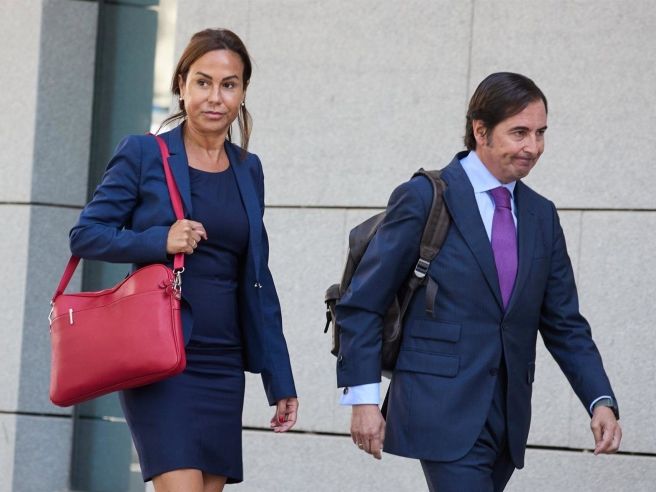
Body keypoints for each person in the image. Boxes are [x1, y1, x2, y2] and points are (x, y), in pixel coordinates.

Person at [335, 72, 621, 491]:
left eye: (541, 133)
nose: (533, 147)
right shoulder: (425, 197)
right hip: (441, 410)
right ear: (480, 131)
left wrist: (600, 400)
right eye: (519, 132)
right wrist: (363, 398)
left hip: (507, 418)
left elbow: (564, 323)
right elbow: (363, 302)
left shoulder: (542, 216)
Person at [70, 28, 298, 491]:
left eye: (229, 84)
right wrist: (160, 240)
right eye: (203, 82)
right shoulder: (143, 154)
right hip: (160, 357)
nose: (215, 97)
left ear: (243, 92)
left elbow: (258, 276)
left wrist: (280, 378)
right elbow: (86, 235)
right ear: (181, 85)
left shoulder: (248, 168)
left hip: (224, 360)